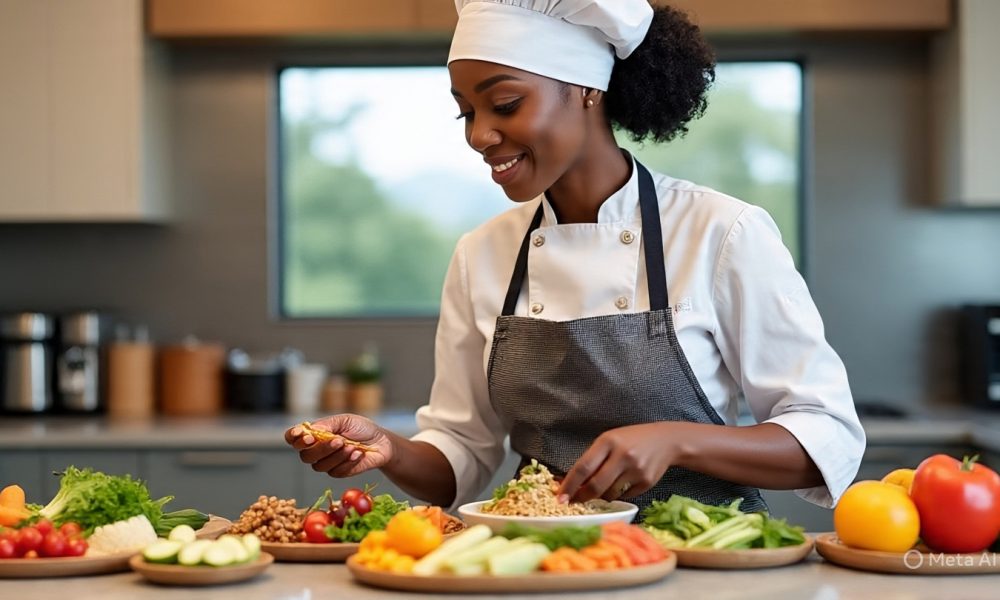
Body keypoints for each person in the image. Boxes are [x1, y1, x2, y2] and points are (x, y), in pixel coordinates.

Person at [286, 0, 865, 514]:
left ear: (587, 88)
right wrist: (389, 450)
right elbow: (461, 455)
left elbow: (826, 439)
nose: (479, 135)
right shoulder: (481, 255)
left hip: (701, 566)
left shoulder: (721, 231)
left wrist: (675, 439)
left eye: (505, 104)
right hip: (540, 565)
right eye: (466, 112)